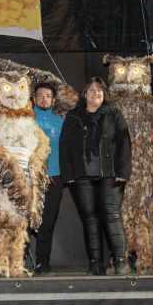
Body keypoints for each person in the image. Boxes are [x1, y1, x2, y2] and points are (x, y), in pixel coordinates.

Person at [60, 77, 132, 275]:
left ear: (104, 93)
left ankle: (120, 261)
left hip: (110, 175)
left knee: (112, 215)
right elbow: (64, 146)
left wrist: (123, 172)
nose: (96, 93)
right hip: (82, 176)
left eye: (99, 90)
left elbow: (124, 143)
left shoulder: (113, 113)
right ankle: (95, 263)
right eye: (91, 90)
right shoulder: (73, 116)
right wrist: (68, 174)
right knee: (90, 219)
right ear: (85, 94)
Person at [32, 82, 65, 274]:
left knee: (48, 221)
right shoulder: (26, 118)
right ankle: (17, 259)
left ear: (53, 100)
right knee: (24, 220)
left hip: (54, 176)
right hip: (29, 178)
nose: (44, 99)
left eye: (48, 96)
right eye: (41, 95)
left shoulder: (60, 121)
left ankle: (42, 262)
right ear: (34, 98)